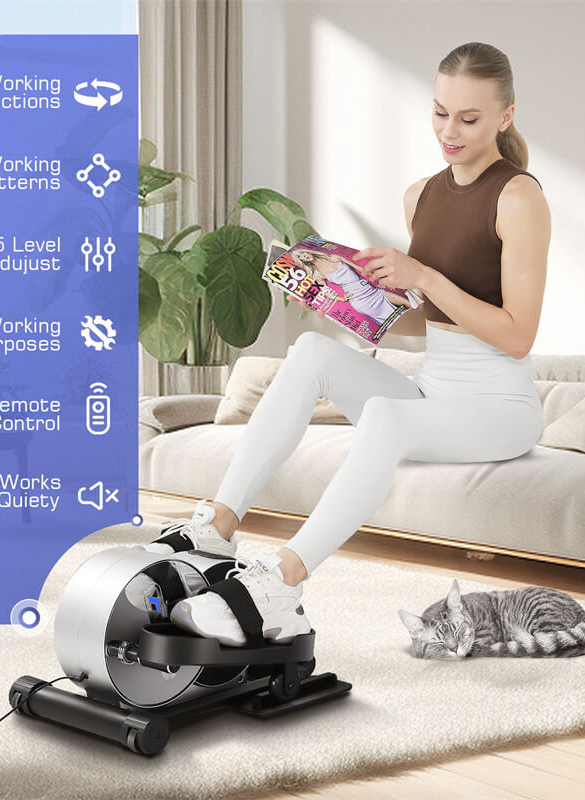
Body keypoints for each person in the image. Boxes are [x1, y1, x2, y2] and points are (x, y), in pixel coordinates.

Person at [147, 41, 551, 649]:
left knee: (387, 415)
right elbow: (428, 318)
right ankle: (220, 526)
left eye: (469, 118)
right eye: (440, 112)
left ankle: (283, 582)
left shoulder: (520, 197)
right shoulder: (422, 194)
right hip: (433, 392)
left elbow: (518, 335)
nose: (449, 129)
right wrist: (345, 296)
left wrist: (423, 277)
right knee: (312, 351)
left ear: (505, 116)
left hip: (501, 411)